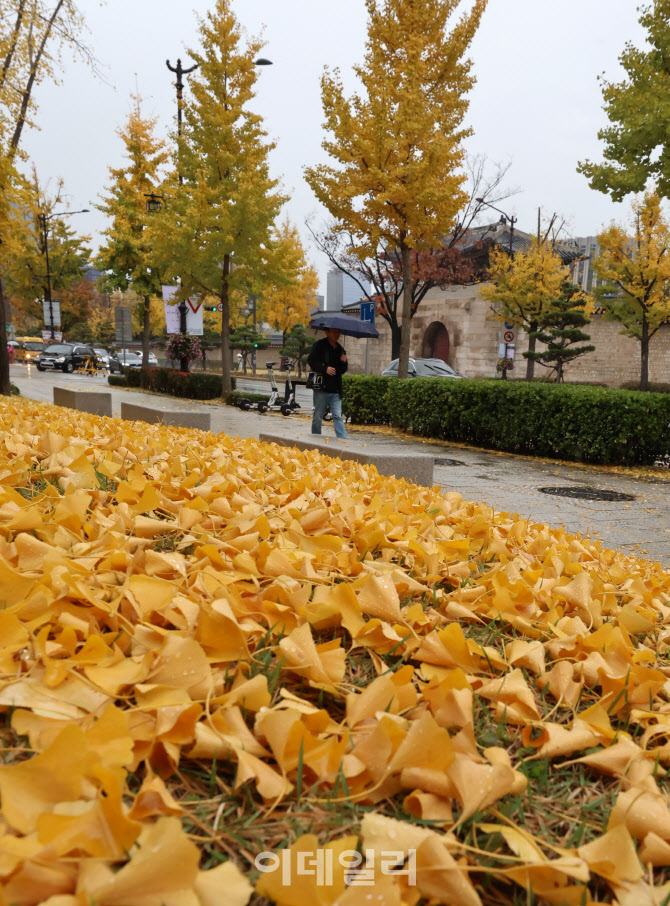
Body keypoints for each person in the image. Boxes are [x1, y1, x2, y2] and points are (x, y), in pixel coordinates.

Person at [307, 327, 348, 439]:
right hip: (322, 388)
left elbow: (342, 370)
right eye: (334, 332)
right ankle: (315, 438)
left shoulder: (340, 349)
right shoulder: (319, 345)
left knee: (337, 416)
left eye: (338, 332)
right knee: (318, 416)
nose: (337, 334)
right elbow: (311, 360)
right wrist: (325, 368)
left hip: (335, 389)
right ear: (327, 332)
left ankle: (342, 440)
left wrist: (344, 361)